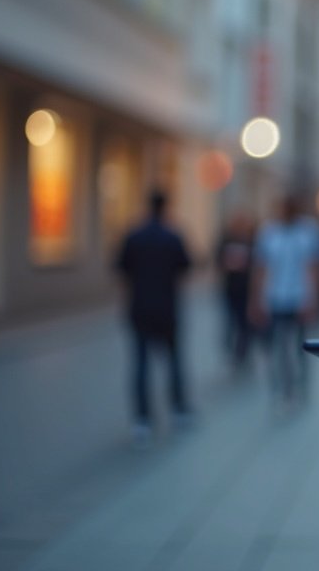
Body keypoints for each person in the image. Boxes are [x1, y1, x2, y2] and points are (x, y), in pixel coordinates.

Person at [115, 189, 193, 445]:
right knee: (173, 360)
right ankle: (178, 408)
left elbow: (121, 269)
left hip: (139, 308)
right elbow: (186, 267)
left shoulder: (134, 235)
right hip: (167, 308)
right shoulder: (172, 236)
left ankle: (142, 419)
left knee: (140, 364)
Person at [250, 194, 319, 406]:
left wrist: (314, 298)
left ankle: (301, 386)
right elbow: (261, 267)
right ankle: (282, 388)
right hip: (275, 297)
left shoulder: (308, 232)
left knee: (301, 345)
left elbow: (315, 267)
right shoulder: (269, 232)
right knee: (278, 346)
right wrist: (256, 300)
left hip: (301, 297)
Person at [215, 210, 256, 369]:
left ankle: (241, 351)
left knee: (244, 323)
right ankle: (231, 347)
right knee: (230, 321)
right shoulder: (227, 240)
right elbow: (218, 260)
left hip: (246, 288)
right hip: (230, 288)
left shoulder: (251, 241)